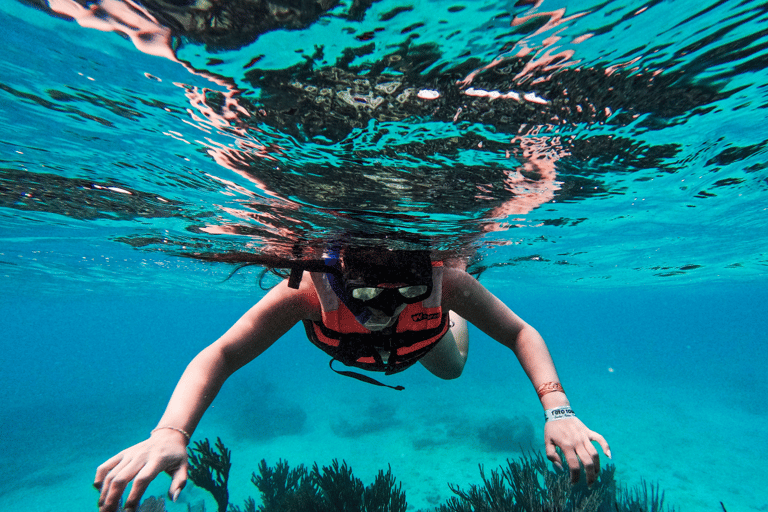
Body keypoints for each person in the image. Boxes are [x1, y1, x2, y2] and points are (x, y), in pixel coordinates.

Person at [94, 247, 611, 512]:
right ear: (338, 279)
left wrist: (559, 410)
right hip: (363, 346)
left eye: (406, 287)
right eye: (365, 294)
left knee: (452, 370)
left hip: (428, 343)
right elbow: (223, 352)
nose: (385, 308)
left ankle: (459, 312)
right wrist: (171, 432)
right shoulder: (304, 291)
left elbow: (520, 332)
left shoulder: (440, 279)